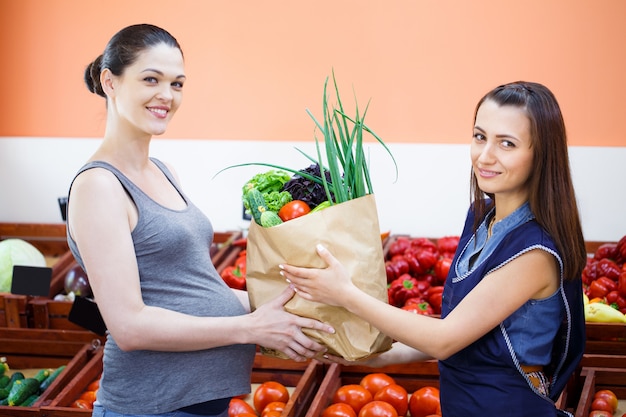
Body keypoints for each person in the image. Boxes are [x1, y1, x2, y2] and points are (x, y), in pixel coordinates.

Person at [67, 23, 334, 417]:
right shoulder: (99, 186)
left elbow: (191, 288)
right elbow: (129, 326)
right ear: (110, 81)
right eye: (151, 79)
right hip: (150, 407)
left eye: (177, 84)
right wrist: (250, 328)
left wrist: (293, 303)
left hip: (203, 405)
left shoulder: (163, 171)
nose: (166, 95)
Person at [280, 81, 587, 416]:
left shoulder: (534, 253)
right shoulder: (482, 216)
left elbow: (445, 338)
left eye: (507, 144)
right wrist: (371, 352)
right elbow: (463, 334)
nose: (485, 156)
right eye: (480, 136)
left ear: (541, 153)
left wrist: (346, 294)